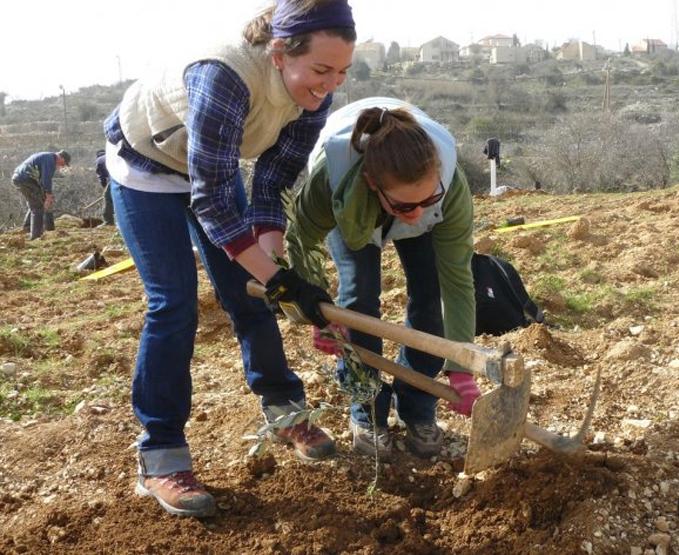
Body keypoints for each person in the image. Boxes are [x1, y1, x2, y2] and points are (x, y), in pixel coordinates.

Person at [103, 0, 355, 518]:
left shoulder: (314, 94)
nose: (330, 84)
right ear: (281, 52)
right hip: (146, 166)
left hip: (209, 172)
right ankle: (161, 454)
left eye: (342, 73)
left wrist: (279, 272)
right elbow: (214, 200)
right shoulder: (224, 75)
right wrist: (280, 281)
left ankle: (285, 412)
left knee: (250, 296)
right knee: (173, 304)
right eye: (322, 70)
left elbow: (271, 180)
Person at [285, 97, 481, 460]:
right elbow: (300, 242)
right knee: (359, 299)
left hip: (419, 216)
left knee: (430, 297)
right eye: (406, 206)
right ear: (373, 183)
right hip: (353, 211)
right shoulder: (332, 180)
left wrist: (461, 365)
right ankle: (367, 412)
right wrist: (315, 311)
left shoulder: (449, 189)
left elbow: (457, 281)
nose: (416, 213)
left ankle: (417, 407)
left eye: (427, 198)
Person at [12, 150, 70, 239]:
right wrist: (49, 195)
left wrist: (45, 195)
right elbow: (46, 179)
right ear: (61, 157)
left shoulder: (47, 156)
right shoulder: (50, 159)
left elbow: (42, 179)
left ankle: (27, 228)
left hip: (20, 178)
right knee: (38, 206)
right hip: (25, 179)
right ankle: (36, 236)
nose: (63, 166)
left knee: (35, 203)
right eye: (64, 163)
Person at [95, 149, 115, 226]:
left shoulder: (99, 160)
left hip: (115, 179)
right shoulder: (110, 155)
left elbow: (101, 177)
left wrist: (105, 188)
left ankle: (108, 221)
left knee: (108, 197)